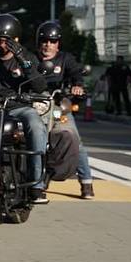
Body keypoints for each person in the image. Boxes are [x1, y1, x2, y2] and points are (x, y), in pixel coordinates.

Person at [0, 14, 49, 205]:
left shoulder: (27, 58)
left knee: (35, 123)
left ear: (14, 40)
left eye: (1, 41)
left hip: (16, 107)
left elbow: (38, 86)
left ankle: (37, 183)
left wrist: (23, 61)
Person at [37, 21, 94, 199]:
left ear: (58, 43)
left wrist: (77, 85)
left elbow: (76, 72)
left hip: (56, 105)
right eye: (45, 41)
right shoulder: (30, 58)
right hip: (34, 103)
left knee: (73, 137)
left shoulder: (65, 58)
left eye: (52, 41)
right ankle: (35, 183)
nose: (48, 45)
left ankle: (86, 182)